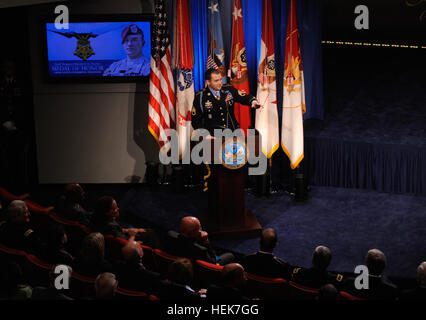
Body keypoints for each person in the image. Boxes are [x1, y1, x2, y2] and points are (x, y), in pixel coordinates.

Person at [191, 68, 261, 135]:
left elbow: (243, 97)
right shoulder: (200, 97)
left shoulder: (228, 90)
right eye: (216, 80)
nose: (220, 83)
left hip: (232, 133)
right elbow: (196, 121)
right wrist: (205, 135)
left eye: (220, 79)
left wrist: (253, 101)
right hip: (213, 137)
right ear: (208, 82)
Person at [90, 195, 160, 248]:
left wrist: (127, 230)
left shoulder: (100, 219)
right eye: (115, 208)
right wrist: (133, 235)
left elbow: (118, 229)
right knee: (151, 234)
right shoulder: (110, 227)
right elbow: (126, 244)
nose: (118, 209)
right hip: (130, 245)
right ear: (107, 212)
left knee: (148, 231)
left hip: (125, 234)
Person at [166, 216, 234, 265]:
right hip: (198, 268)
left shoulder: (170, 235)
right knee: (230, 255)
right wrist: (206, 242)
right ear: (193, 232)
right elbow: (214, 261)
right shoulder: (200, 250)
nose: (201, 230)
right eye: (199, 228)